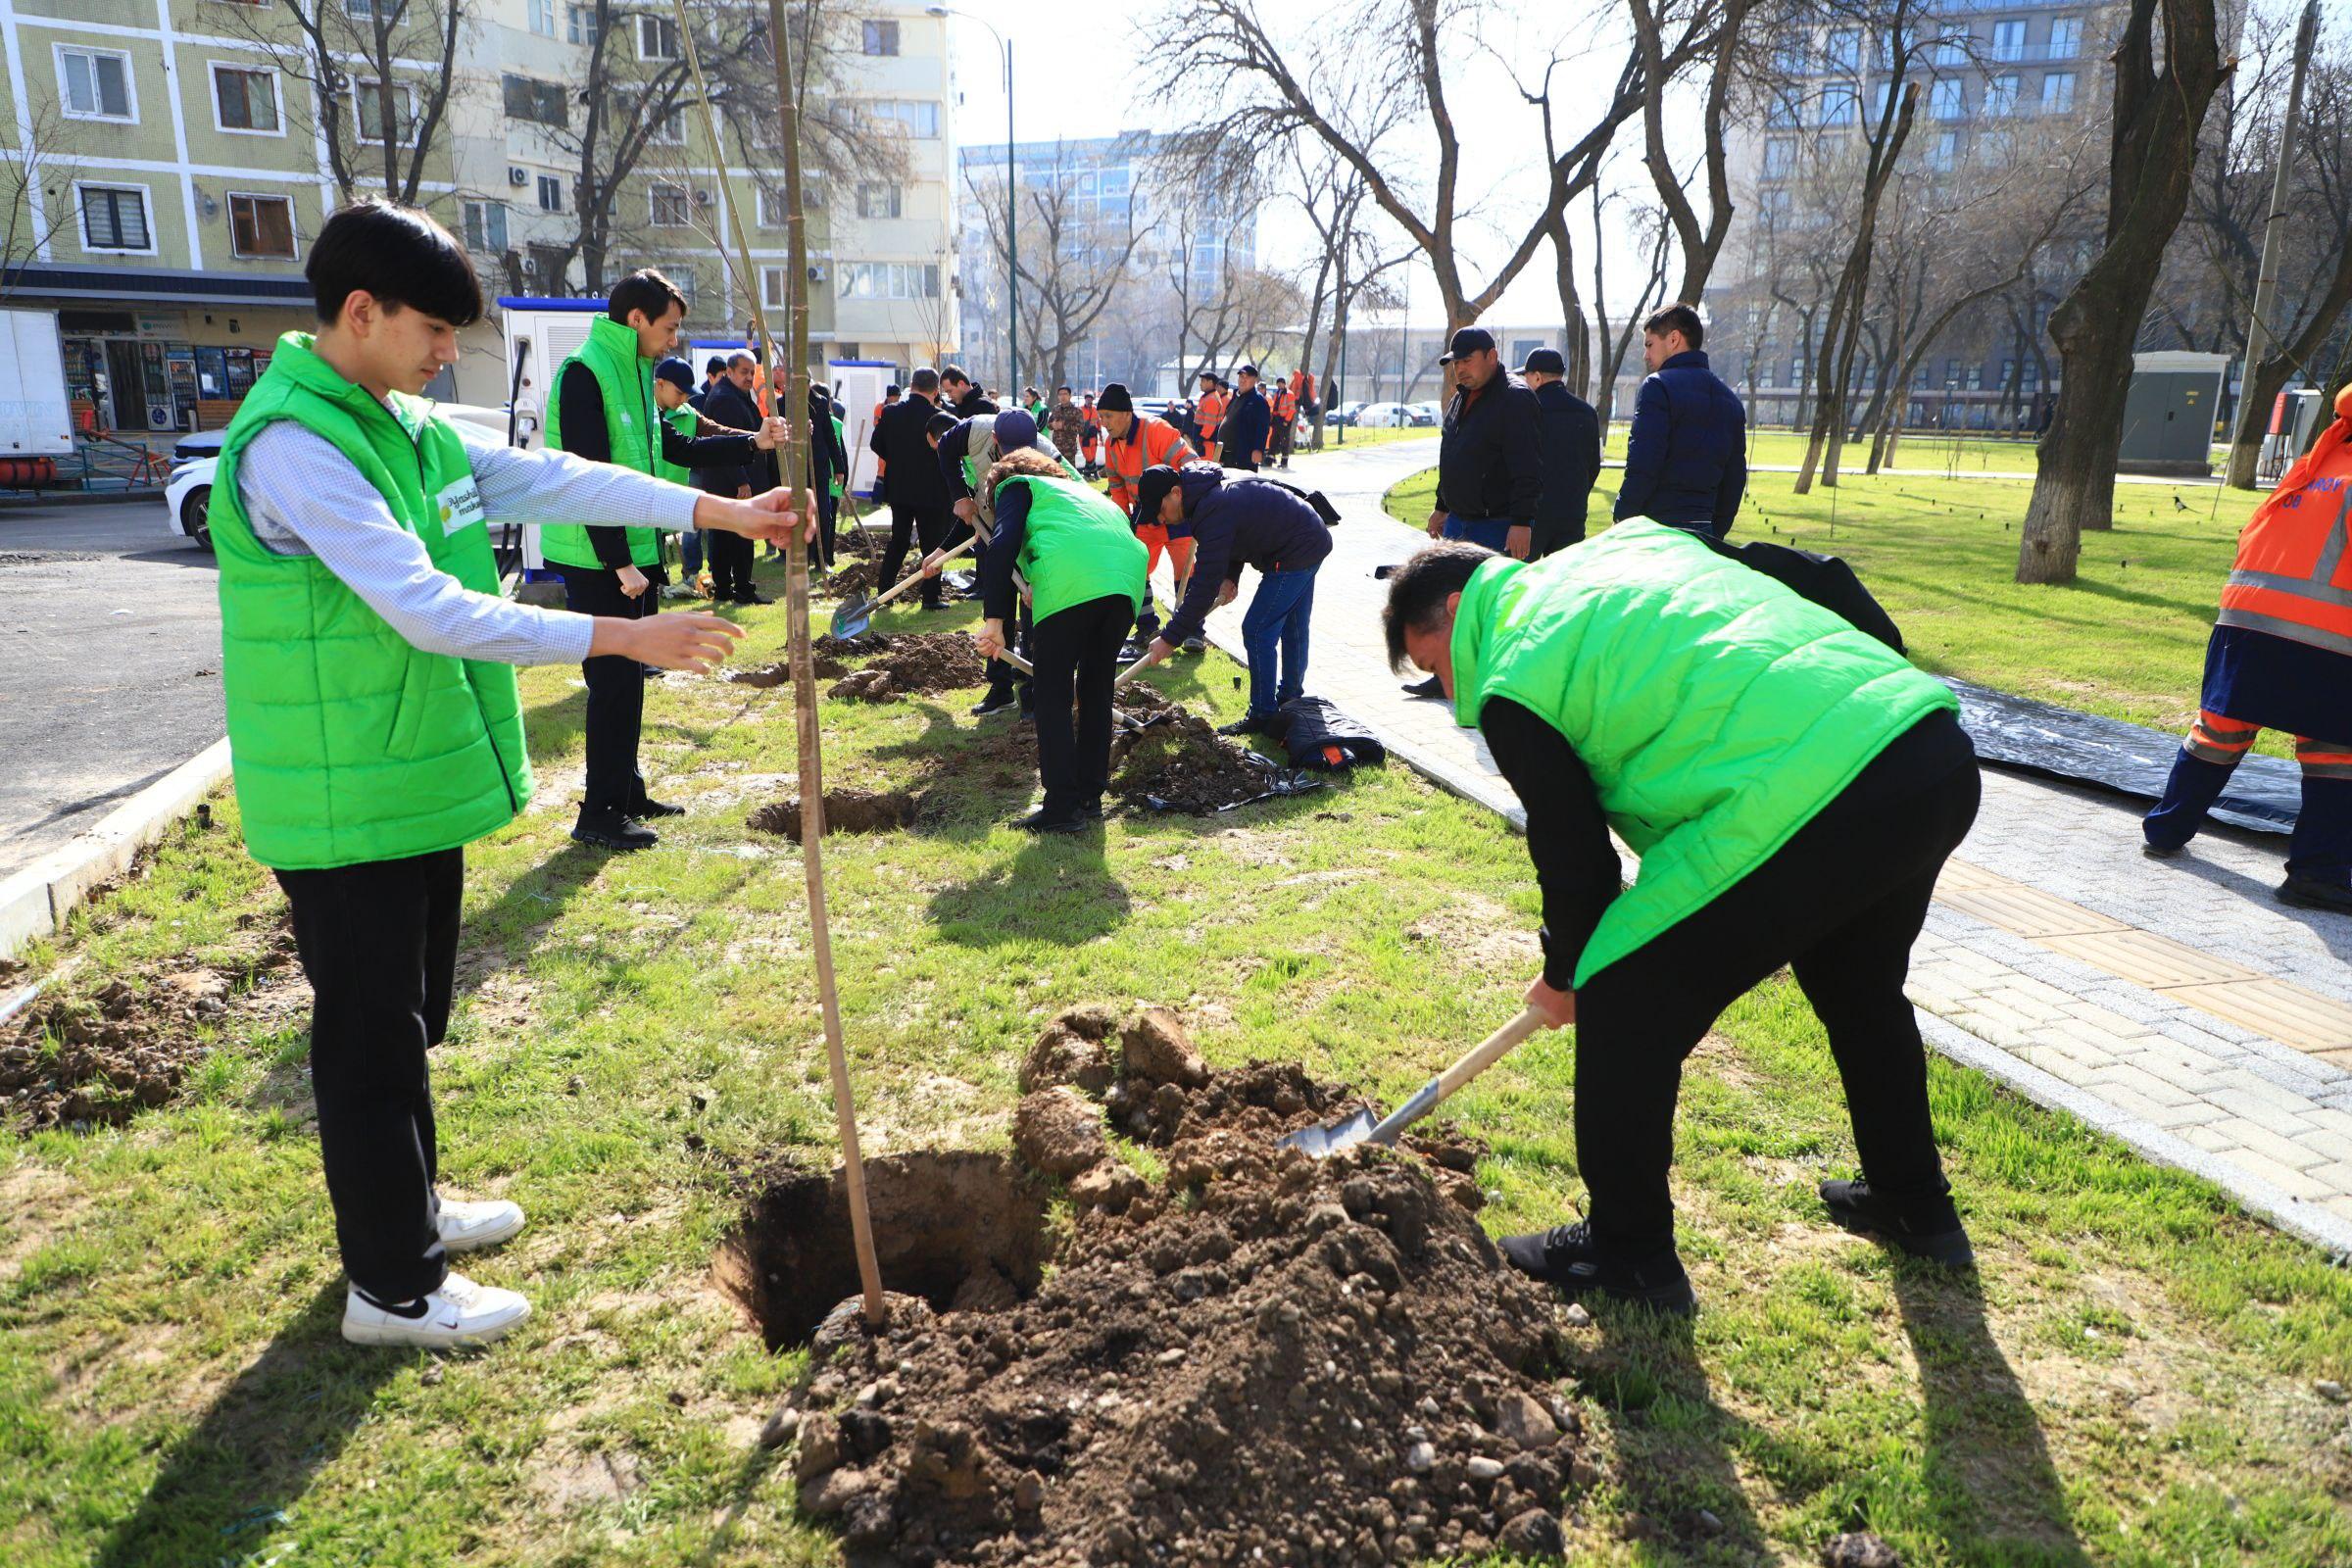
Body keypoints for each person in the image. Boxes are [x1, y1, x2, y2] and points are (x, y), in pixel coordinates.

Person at [213, 199, 808, 1348]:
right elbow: (429, 609)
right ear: (359, 311)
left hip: (398, 781)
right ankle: (394, 1288)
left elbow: (554, 480)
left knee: (408, 1020)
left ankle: (414, 1205)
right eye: (436, 331)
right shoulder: (297, 448)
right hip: (342, 801)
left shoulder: (401, 425)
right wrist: (624, 638)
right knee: (367, 1045)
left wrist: (720, 507)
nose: (449, 354)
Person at [1380, 531, 1978, 1313]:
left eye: (1437, 667)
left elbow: (1578, 865)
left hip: (1810, 791)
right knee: (1858, 985)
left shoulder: (1513, 674)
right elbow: (1813, 572)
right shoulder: (1636, 543)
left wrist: (1568, 974)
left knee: (1624, 992)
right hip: (1922, 747)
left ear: (1456, 609)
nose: (1456, 698)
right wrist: (1877, 687)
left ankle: (1627, 1252)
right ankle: (1914, 1203)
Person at [546, 272, 784, 852]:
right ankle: (597, 811)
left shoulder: (639, 374)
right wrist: (619, 562)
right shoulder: (584, 373)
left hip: (638, 554)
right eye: (670, 327)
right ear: (636, 319)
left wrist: (753, 442)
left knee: (632, 681)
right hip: (602, 559)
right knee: (610, 684)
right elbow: (588, 480)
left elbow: (674, 448)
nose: (675, 340)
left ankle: (626, 791)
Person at [2142, 382, 2352, 910]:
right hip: (2329, 636)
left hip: (2247, 621)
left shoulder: (2317, 465)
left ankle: (2166, 829)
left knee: (2221, 729)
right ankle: (2317, 872)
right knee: (2338, 752)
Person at [973, 445, 1149, 832]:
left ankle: (1061, 809)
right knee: (1096, 690)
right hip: (1125, 584)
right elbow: (1078, 538)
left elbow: (1001, 545)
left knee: (1051, 695)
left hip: (1073, 584)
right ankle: (1089, 798)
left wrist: (994, 622)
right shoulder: (1081, 491)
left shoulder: (1015, 486)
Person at [1126, 461, 1331, 737]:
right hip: (1307, 535)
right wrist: (1230, 576)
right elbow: (1238, 533)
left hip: (1297, 547)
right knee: (1292, 626)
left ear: (1175, 492)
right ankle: (1290, 700)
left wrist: (1170, 638)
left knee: (1257, 629)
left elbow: (1203, 587)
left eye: (1160, 510)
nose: (1161, 520)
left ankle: (1262, 714)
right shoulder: (1206, 495)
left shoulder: (1210, 508)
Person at [1411, 327, 1542, 699]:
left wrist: (1522, 522)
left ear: (1492, 356)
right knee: (1448, 604)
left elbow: (1528, 467)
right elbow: (1450, 457)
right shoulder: (1460, 397)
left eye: (1468, 360)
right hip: (1459, 520)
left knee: (1491, 608)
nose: (1460, 370)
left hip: (1497, 524)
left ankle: (1494, 686)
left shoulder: (1515, 399)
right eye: (1456, 363)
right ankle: (1447, 677)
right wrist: (1441, 506)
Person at [932, 406, 1083, 716]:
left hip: (1031, 539)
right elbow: (944, 446)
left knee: (1032, 614)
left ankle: (1032, 694)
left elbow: (1065, 509)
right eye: (1008, 450)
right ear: (994, 438)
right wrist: (959, 494)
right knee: (996, 611)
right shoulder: (972, 430)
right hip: (994, 530)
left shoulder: (1049, 457)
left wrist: (1040, 576)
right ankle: (1001, 689)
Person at [1613, 302, 1746, 539]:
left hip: (1655, 530)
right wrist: (1716, 532)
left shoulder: (1657, 386)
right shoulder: (1731, 401)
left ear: (1674, 339)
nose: (1646, 355)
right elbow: (1734, 479)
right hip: (1703, 530)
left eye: (1649, 344)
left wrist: (1622, 517)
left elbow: (1644, 463)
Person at [1097, 382, 1200, 656]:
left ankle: (1193, 631)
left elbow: (1191, 464)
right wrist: (1123, 523)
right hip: (1146, 516)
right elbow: (1117, 487)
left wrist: (1187, 504)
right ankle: (1147, 627)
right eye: (1101, 417)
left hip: (1177, 515)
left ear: (1126, 414)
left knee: (1186, 572)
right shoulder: (1110, 445)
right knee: (1135, 569)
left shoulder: (1156, 431)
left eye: (1108, 416)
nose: (1104, 423)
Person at [690, 353, 767, 606]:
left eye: (751, 372)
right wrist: (741, 481)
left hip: (729, 479)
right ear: (729, 372)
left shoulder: (738, 395)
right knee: (735, 537)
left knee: (729, 537)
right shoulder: (724, 399)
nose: (748, 377)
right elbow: (725, 444)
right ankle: (739, 588)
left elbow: (754, 430)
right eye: (743, 372)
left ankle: (728, 588)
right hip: (729, 481)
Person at [870, 368, 950, 610]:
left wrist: (896, 461)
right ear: (935, 391)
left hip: (900, 489)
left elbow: (876, 443)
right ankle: (931, 596)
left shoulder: (891, 412)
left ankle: (885, 591)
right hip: (932, 490)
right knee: (932, 543)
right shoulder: (939, 417)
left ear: (912, 385)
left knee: (899, 540)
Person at [1521, 348, 1600, 558]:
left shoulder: (1528, 410)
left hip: (1533, 514)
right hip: (1572, 512)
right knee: (1561, 583)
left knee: (1521, 579)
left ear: (1537, 377)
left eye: (1526, 376)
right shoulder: (1587, 412)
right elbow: (1593, 466)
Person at [1221, 365, 1272, 472]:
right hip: (1227, 455)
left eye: (1247, 377)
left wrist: (1258, 449)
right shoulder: (1235, 397)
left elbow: (1262, 427)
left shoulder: (1258, 401)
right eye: (1241, 377)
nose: (1243, 380)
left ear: (1254, 380)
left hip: (1244, 456)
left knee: (1243, 487)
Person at [1195, 371, 1227, 465]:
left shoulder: (1211, 399)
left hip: (1206, 443)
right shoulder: (1208, 397)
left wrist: (1200, 440)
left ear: (1210, 382)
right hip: (1204, 441)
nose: (1200, 383)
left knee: (1204, 469)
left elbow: (1210, 424)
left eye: (1203, 381)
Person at [1269, 371, 1298, 469]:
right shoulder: (1278, 393)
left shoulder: (1289, 394)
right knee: (1274, 440)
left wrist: (1286, 421)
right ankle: (1270, 459)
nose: (1279, 385)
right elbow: (1275, 406)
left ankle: (1284, 462)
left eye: (1281, 383)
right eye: (1278, 384)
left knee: (1284, 441)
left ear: (1284, 384)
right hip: (1277, 419)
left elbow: (1292, 409)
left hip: (1284, 420)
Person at [1049, 384, 1083, 464]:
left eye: (1065, 394)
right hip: (1056, 447)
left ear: (1070, 395)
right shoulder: (1055, 409)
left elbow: (1080, 428)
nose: (1062, 396)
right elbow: (1048, 424)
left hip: (1069, 448)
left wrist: (1064, 426)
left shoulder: (1077, 411)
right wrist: (1052, 425)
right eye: (1060, 394)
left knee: (1069, 472)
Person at [1079, 391, 1102, 477]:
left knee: (1092, 455)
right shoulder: (1080, 409)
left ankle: (1086, 473)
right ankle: (1096, 473)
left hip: (1094, 436)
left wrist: (1100, 436)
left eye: (1091, 398)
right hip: (1084, 436)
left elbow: (1098, 423)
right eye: (1087, 398)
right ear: (1085, 399)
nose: (1089, 400)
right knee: (1089, 457)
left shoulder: (1095, 409)